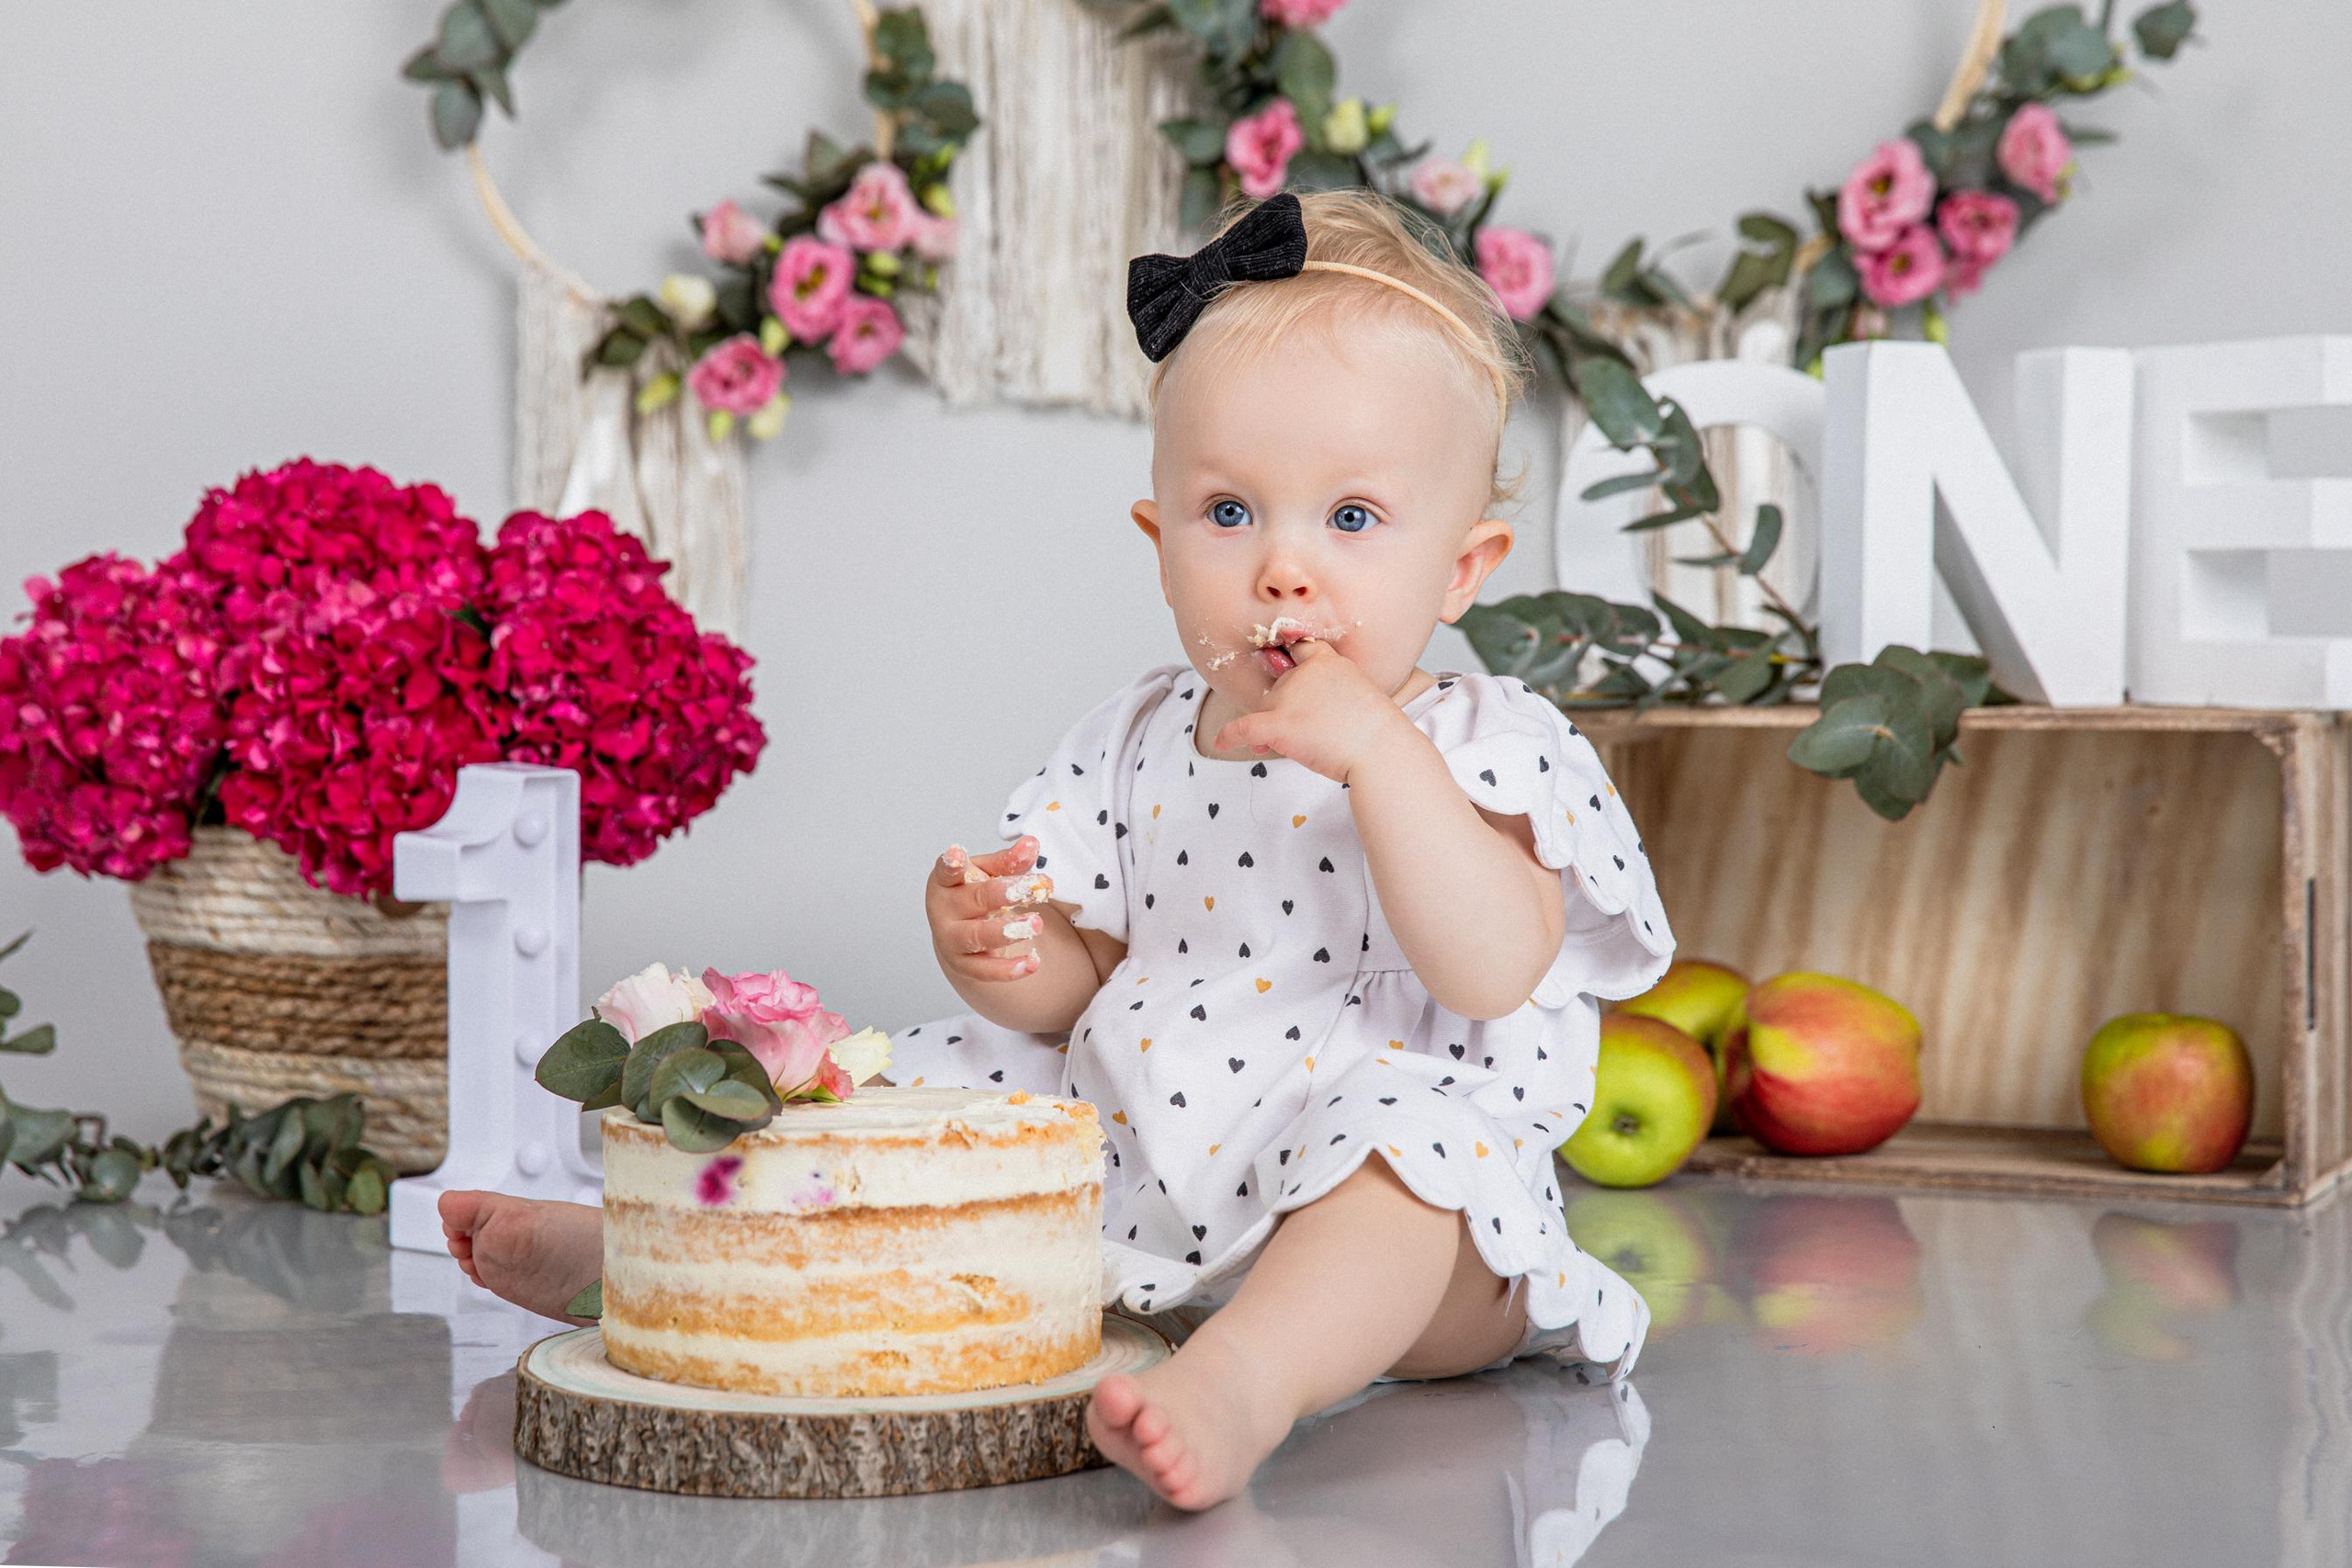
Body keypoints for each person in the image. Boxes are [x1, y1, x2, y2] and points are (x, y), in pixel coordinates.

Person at [441, 187, 1676, 1512]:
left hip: (1405, 1238)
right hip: (1142, 1171)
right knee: (940, 1094)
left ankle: (1250, 1380)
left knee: (1403, 1156)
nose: (1283, 572)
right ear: (1159, 544)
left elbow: (1494, 966)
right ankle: (662, 1264)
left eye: (1355, 521)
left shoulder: (1485, 739)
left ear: (1463, 568)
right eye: (1230, 513)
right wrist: (996, 947)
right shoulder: (1141, 733)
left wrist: (1380, 755)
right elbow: (1080, 983)